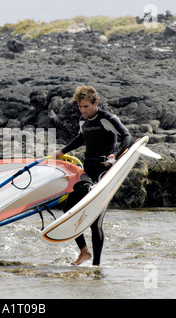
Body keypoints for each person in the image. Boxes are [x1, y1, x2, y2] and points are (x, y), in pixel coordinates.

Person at [55, 85, 132, 266]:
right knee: (68, 210)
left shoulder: (108, 119)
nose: (83, 111)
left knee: (95, 222)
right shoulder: (84, 121)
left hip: (104, 172)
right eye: (80, 107)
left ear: (95, 102)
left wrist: (117, 155)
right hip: (88, 171)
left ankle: (96, 266)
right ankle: (84, 252)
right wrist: (62, 151)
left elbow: (126, 136)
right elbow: (82, 137)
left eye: (86, 107)